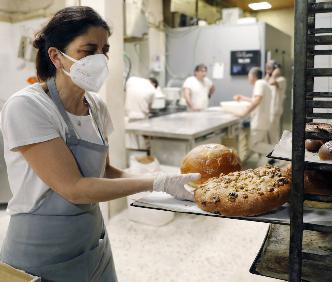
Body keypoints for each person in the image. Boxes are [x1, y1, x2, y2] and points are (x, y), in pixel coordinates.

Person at [0, 6, 199, 282]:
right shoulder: (27, 106)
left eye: (104, 50)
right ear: (56, 56)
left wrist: (166, 184)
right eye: (88, 50)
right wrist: (156, 181)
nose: (100, 59)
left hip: (93, 246)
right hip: (40, 257)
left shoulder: (96, 107)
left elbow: (105, 172)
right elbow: (75, 188)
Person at [232, 67, 273, 158]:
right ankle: (273, 159)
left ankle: (278, 152)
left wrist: (243, 113)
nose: (248, 78)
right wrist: (243, 98)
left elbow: (257, 101)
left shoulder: (259, 83)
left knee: (254, 145)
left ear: (253, 76)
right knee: (260, 143)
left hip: (259, 121)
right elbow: (256, 99)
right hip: (264, 119)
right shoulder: (264, 84)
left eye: (248, 76)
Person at [265, 60, 287, 142]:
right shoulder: (269, 78)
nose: (267, 68)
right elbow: (265, 83)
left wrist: (274, 74)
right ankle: (270, 149)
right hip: (268, 110)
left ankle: (275, 150)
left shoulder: (281, 79)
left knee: (273, 132)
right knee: (268, 132)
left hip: (274, 110)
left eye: (270, 67)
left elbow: (271, 82)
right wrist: (268, 73)